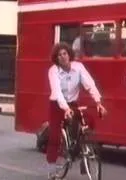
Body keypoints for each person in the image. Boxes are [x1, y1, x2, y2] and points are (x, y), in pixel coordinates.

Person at [46, 42, 107, 179]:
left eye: (65, 54)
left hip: (72, 103)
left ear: (69, 55)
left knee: (88, 121)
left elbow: (90, 84)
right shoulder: (53, 71)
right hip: (57, 104)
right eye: (59, 55)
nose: (62, 57)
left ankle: (81, 152)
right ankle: (51, 168)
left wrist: (98, 102)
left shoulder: (78, 67)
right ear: (56, 58)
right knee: (54, 135)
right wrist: (65, 109)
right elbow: (57, 92)